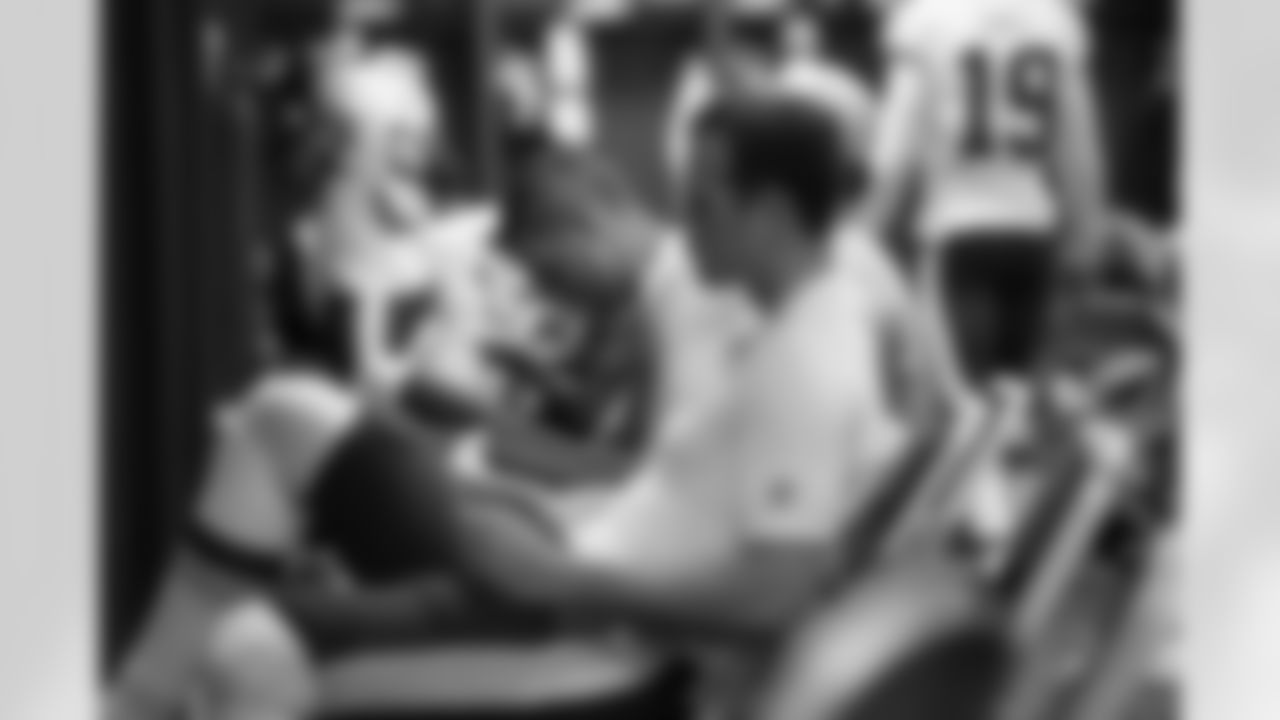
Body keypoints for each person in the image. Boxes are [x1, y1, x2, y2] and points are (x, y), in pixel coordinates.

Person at [196, 96, 988, 720]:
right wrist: (547, 522)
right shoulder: (797, 324)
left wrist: (565, 579)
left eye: (705, 204)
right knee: (282, 457)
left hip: (585, 639)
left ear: (774, 215)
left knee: (244, 649)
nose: (685, 223)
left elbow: (777, 596)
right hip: (572, 594)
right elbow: (689, 509)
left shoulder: (806, 362)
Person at [867, 0, 1108, 562]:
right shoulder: (1054, 19)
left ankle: (991, 558)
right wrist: (1086, 231)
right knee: (1010, 407)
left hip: (959, 232)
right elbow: (1079, 144)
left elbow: (896, 148)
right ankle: (1016, 554)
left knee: (969, 413)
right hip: (1032, 231)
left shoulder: (927, 20)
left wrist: (867, 234)